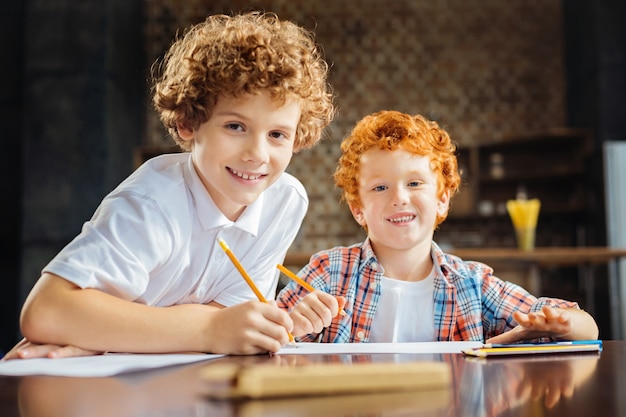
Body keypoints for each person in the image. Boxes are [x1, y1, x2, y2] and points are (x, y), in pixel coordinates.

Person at [5, 11, 334, 359]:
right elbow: (46, 311)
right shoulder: (153, 202)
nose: (257, 154)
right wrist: (208, 329)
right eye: (235, 127)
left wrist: (100, 337)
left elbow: (230, 317)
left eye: (278, 134)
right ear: (188, 122)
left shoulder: (285, 201)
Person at [277, 110, 598, 344]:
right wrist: (292, 325)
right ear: (357, 208)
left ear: (442, 199)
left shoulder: (472, 285)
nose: (399, 198)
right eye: (380, 188)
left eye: (414, 183)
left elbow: (586, 328)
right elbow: (264, 339)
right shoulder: (328, 273)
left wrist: (562, 323)